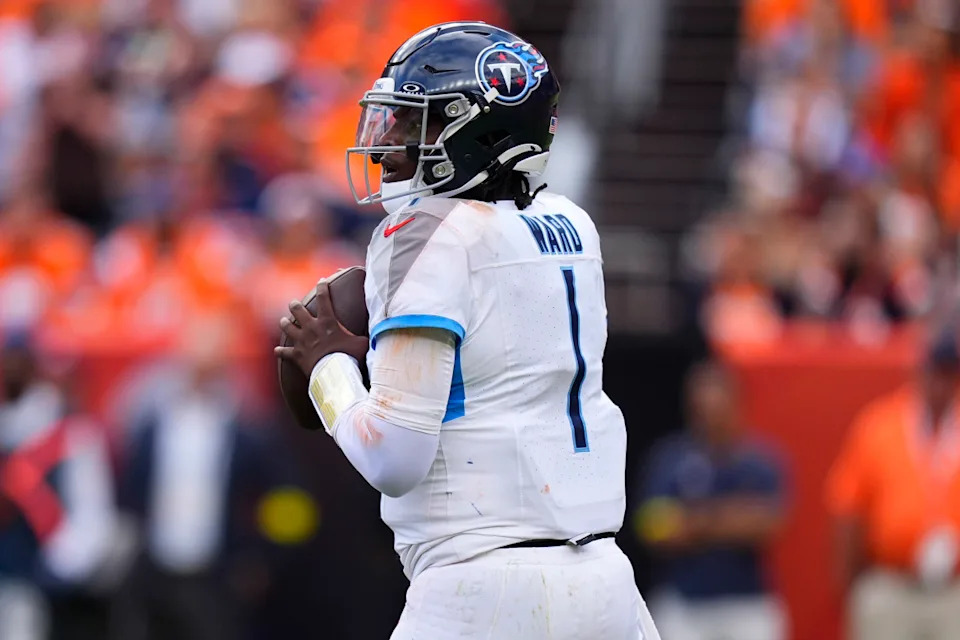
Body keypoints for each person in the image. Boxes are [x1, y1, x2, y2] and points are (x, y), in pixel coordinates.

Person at [275, 21, 661, 640]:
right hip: (605, 581)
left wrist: (329, 370)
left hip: (482, 589)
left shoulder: (425, 234)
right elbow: (493, 367)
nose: (387, 146)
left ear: (478, 133)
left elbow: (393, 455)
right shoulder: (572, 227)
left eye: (414, 123)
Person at [636, 360, 787, 640]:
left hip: (747, 603)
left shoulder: (760, 461)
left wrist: (692, 520)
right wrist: (730, 516)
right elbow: (653, 529)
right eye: (702, 407)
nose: (710, 416)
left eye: (718, 406)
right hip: (684, 603)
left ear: (736, 404)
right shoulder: (669, 459)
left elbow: (766, 524)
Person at [826, 329, 960, 640]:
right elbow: (848, 511)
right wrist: (851, 588)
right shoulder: (879, 425)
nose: (941, 383)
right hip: (891, 582)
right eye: (935, 372)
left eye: (949, 374)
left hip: (954, 588)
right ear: (919, 371)